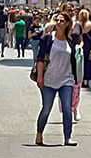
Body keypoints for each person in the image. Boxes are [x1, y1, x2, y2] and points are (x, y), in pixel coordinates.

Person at [34, 12, 81, 146]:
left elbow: (73, 60)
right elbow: (41, 59)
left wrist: (76, 77)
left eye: (61, 21)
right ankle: (39, 134)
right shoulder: (48, 39)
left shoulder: (70, 41)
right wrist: (39, 77)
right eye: (57, 20)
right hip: (49, 78)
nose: (58, 23)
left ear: (67, 24)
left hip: (66, 79)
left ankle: (67, 137)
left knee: (67, 108)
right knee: (46, 109)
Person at [70, 8, 91, 122]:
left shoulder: (77, 26)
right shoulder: (90, 25)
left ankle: (72, 107)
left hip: (78, 50)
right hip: (86, 48)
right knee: (88, 65)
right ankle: (86, 81)